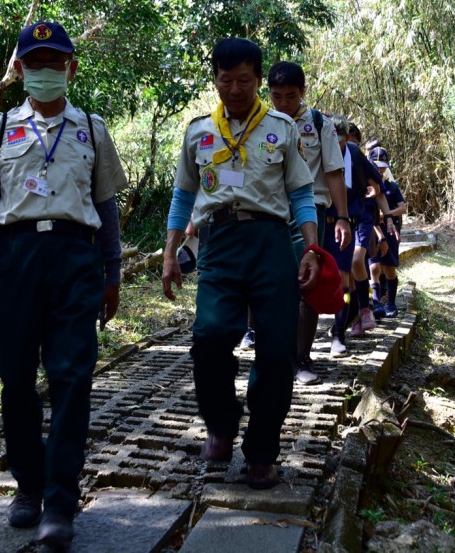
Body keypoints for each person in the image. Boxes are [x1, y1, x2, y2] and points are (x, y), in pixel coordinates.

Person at [0, 21, 128, 549]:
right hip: (13, 261)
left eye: (56, 63)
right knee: (15, 378)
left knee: (73, 376)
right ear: (20, 70)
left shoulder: (92, 129)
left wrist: (112, 272)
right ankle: (27, 487)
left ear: (71, 69)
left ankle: (60, 499)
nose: (46, 72)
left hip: (76, 259)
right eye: (36, 63)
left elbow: (106, 207)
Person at [161, 37, 322, 490]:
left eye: (245, 81)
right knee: (210, 336)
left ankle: (261, 453)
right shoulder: (198, 131)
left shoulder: (282, 128)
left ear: (258, 80)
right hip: (219, 242)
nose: (234, 89)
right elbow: (184, 196)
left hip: (272, 241)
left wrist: (311, 248)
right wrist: (171, 252)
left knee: (276, 350)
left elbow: (301, 194)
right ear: (214, 78)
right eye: (226, 80)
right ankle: (221, 422)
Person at [265, 61, 351, 384]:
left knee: (306, 284)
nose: (283, 103)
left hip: (311, 211)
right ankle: (275, 354)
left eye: (290, 96)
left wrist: (342, 217)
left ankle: (302, 359)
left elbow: (333, 171)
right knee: (271, 284)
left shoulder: (319, 124)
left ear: (303, 92)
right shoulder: (263, 122)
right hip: (272, 211)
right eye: (276, 96)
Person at [322, 115, 396, 350]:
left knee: (345, 277)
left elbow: (378, 185)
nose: (335, 145)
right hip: (321, 221)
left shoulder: (354, 154)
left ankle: (339, 332)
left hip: (349, 222)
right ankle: (354, 312)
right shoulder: (314, 150)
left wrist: (388, 219)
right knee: (330, 281)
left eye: (340, 140)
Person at [369, 146, 407, 318]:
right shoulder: (365, 185)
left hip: (390, 230)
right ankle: (376, 302)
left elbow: (403, 208)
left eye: (383, 165)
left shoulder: (391, 186)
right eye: (377, 165)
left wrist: (387, 215)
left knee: (389, 267)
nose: (380, 168)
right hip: (371, 228)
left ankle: (390, 303)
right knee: (374, 266)